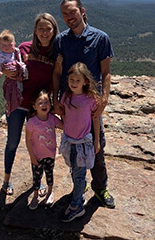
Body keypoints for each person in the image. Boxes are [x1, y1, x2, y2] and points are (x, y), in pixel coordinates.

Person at [53, 0, 115, 208]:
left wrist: (104, 98)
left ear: (82, 10)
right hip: (69, 104)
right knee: (72, 146)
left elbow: (105, 72)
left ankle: (100, 188)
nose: (69, 17)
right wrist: (54, 99)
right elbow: (57, 73)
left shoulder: (100, 38)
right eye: (65, 14)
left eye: (72, 12)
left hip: (91, 103)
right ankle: (79, 185)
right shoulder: (61, 40)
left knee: (97, 147)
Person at [0, 13, 59, 195]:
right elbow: (7, 61)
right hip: (18, 103)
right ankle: (6, 181)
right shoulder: (24, 48)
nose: (44, 32)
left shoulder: (57, 54)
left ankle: (38, 182)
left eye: (48, 28)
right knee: (13, 142)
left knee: (37, 145)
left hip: (39, 106)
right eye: (40, 28)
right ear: (35, 30)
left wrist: (55, 102)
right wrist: (3, 69)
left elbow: (57, 79)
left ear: (54, 31)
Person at [59, 62, 101, 222]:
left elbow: (96, 120)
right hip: (70, 141)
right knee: (75, 171)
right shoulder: (66, 96)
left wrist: (97, 140)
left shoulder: (91, 99)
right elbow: (64, 114)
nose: (74, 83)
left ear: (85, 81)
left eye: (77, 80)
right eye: (71, 80)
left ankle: (77, 207)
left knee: (78, 174)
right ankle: (80, 193)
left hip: (83, 144)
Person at [26, 90, 63, 210]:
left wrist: (63, 111)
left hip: (50, 154)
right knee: (37, 176)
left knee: (49, 173)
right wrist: (31, 156)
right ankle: (35, 196)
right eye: (40, 103)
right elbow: (28, 140)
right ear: (34, 106)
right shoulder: (31, 122)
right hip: (37, 155)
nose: (44, 105)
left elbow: (64, 125)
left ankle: (50, 192)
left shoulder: (52, 119)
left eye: (47, 102)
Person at [0, 29, 28, 116]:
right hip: (12, 79)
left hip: (20, 76)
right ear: (0, 45)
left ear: (14, 44)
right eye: (3, 45)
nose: (6, 48)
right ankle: (14, 102)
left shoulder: (17, 52)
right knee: (14, 91)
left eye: (9, 45)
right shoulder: (2, 55)